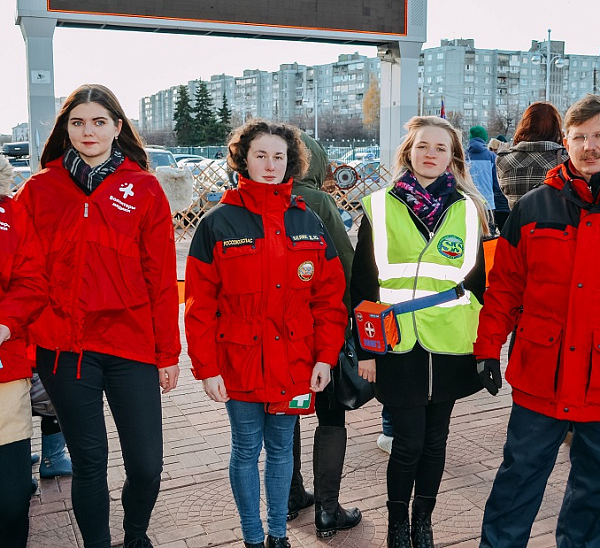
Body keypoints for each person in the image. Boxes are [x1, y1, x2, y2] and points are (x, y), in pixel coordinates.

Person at [15, 84, 181, 548]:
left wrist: (168, 352)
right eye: (78, 122)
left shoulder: (144, 187)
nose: (88, 131)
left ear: (117, 127)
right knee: (89, 462)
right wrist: (27, 342)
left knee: (147, 464)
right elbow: (22, 272)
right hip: (65, 349)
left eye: (99, 121)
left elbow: (162, 280)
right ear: (65, 129)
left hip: (132, 346)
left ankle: (135, 535)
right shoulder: (39, 189)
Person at [185, 121, 347, 548]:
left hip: (296, 362)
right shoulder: (217, 222)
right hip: (239, 363)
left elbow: (330, 299)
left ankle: (279, 534)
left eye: (279, 156)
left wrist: (325, 357)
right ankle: (253, 537)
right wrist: (207, 369)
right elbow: (199, 306)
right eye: (261, 155)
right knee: (245, 451)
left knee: (280, 452)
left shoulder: (308, 219)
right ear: (243, 159)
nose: (270, 165)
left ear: (291, 161)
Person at [351, 116, 487, 548]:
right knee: (407, 441)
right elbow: (362, 284)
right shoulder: (379, 205)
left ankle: (423, 522)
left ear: (453, 157)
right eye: (423, 146)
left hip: (449, 341)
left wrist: (483, 348)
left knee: (436, 440)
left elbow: (479, 285)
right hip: (395, 342)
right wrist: (366, 351)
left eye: (441, 148)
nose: (431, 154)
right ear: (408, 151)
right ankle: (397, 525)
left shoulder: (468, 208)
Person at [474, 94, 600, 547]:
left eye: (599, 136)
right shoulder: (532, 207)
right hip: (540, 376)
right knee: (518, 482)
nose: (590, 146)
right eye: (580, 137)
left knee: (594, 492)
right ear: (564, 142)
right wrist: (487, 347)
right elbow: (504, 288)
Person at [287, 132, 361, 537]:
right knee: (331, 416)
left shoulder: (259, 201)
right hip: (324, 330)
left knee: (289, 418)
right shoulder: (317, 202)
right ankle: (328, 512)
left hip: (284, 335)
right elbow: (344, 265)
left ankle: (290, 495)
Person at [0, 155, 47, 547]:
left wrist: (4, 323)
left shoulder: (11, 212)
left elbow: (32, 282)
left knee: (13, 499)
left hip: (5, 373)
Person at [495, 101, 568, 209]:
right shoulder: (566, 160)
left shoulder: (503, 160)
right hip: (556, 225)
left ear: (524, 125)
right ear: (556, 128)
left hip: (519, 223)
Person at [467, 125, 504, 234]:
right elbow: (497, 184)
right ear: (484, 138)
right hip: (488, 204)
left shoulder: (463, 155)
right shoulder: (492, 156)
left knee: (469, 236)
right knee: (488, 237)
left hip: (468, 202)